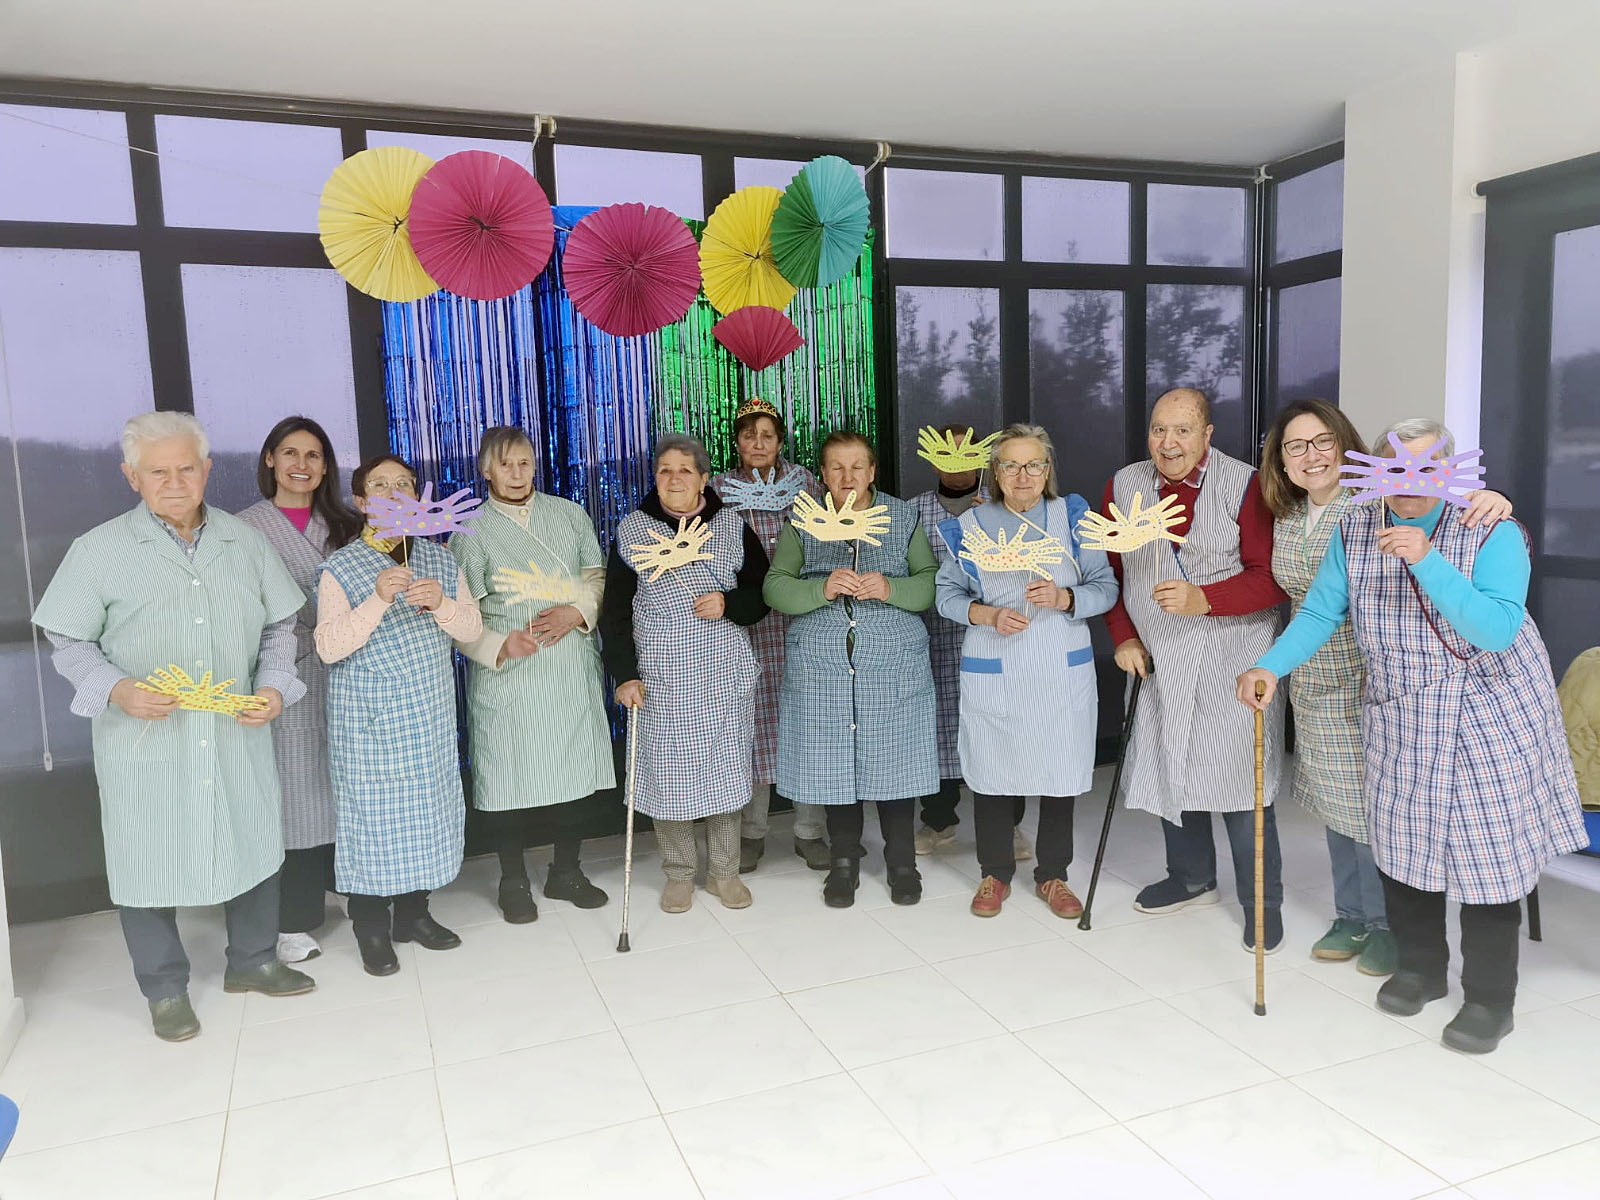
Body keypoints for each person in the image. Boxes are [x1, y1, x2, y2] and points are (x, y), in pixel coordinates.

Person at [1240, 417, 1586, 1054]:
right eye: (1395, 468)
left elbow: (1495, 630)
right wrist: (1271, 665)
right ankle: (1422, 970)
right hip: (1401, 711)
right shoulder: (1355, 528)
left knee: (1489, 863)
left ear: (1452, 473)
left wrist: (1426, 560)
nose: (1409, 482)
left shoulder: (1492, 529)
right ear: (1374, 473)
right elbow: (1320, 611)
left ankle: (1490, 999)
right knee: (1402, 852)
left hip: (1490, 714)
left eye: (1427, 468)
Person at [33, 412, 316, 1041]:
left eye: (186, 468)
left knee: (252, 837)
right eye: (157, 471)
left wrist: (274, 686)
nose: (174, 482)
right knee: (145, 856)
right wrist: (118, 689)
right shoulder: (99, 550)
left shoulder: (245, 542)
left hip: (235, 730)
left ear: (207, 470)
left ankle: (254, 960)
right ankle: (164, 990)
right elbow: (68, 640)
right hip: (144, 738)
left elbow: (280, 627)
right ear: (131, 476)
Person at [1257, 399, 1512, 977]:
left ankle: (1387, 924)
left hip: (1375, 675)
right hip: (1313, 675)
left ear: (1347, 448)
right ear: (1282, 460)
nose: (1311, 455)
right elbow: (1316, 608)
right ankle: (1352, 915)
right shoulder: (1292, 516)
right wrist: (1271, 666)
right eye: (1295, 446)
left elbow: (1454, 505)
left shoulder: (1380, 501)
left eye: (1322, 441)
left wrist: (1492, 498)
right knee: (1335, 803)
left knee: (1377, 812)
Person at [1104, 387, 1288, 951]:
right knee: (1172, 769)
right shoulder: (1125, 485)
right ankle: (1190, 878)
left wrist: (1206, 598)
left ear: (1207, 435)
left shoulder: (1246, 485)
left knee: (1240, 784)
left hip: (1233, 657)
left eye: (1183, 430)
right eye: (1159, 429)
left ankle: (1262, 904)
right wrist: (1124, 635)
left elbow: (1272, 578)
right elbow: (1109, 573)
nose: (1169, 443)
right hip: (1160, 658)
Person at [935, 424, 1119, 918]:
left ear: (1047, 469)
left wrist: (1065, 598)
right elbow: (946, 595)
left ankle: (1053, 875)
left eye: (1033, 465)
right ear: (995, 472)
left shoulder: (1073, 518)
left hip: (1059, 666)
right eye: (1011, 465)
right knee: (993, 771)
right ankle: (994, 873)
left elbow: (1105, 587)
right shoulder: (972, 525)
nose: (1023, 475)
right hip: (996, 664)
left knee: (1061, 772)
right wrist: (987, 614)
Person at [315, 453, 483, 976]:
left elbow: (472, 630)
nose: (394, 493)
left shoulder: (439, 559)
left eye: (404, 484)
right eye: (380, 485)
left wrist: (443, 606)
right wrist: (376, 601)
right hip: (367, 725)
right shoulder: (341, 568)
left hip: (425, 718)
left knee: (426, 816)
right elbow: (327, 648)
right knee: (372, 823)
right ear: (361, 502)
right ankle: (370, 925)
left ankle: (414, 915)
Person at [764, 430, 938, 908]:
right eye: (837, 468)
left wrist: (891, 588)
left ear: (872, 471)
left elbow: (929, 584)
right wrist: (820, 589)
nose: (847, 477)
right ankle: (844, 862)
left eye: (857, 467)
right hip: (824, 669)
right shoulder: (805, 520)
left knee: (896, 764)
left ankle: (902, 862)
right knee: (836, 765)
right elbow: (775, 586)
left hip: (892, 666)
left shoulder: (902, 516)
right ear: (822, 474)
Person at [599, 433, 770, 913]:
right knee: (668, 777)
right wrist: (625, 674)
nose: (674, 479)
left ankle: (724, 872)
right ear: (655, 478)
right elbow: (614, 612)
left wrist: (729, 603)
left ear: (703, 478)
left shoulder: (731, 526)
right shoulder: (633, 530)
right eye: (665, 470)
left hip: (721, 670)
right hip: (662, 673)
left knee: (724, 772)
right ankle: (678, 873)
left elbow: (762, 593)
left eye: (685, 470)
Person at [450, 427, 612, 923]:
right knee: (507, 778)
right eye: (505, 465)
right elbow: (459, 617)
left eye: (524, 462)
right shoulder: (469, 530)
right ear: (486, 471)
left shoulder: (569, 514)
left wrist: (577, 612)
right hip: (509, 673)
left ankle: (567, 871)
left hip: (567, 665)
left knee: (572, 770)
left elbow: (596, 578)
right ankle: (513, 878)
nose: (517, 474)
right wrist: (498, 646)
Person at [237, 416, 363, 964]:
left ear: (326, 467)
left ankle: (358, 884)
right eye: (289, 453)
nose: (301, 465)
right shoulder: (242, 529)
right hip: (284, 671)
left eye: (313, 456)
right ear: (270, 459)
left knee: (351, 780)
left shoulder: (349, 524)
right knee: (298, 790)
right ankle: (294, 917)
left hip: (353, 669)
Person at [710, 397, 830, 873]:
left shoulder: (806, 483)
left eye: (767, 435)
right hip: (747, 622)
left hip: (802, 617)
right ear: (737, 442)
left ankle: (810, 829)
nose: (758, 444)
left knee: (806, 719)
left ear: (780, 441)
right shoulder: (718, 489)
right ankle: (752, 831)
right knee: (751, 721)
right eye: (748, 435)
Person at [911, 423, 1030, 860]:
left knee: (999, 732)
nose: (957, 464)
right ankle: (938, 820)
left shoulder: (1004, 506)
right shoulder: (913, 511)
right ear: (932, 459)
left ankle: (1009, 826)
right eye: (947, 453)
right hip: (935, 639)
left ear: (984, 458)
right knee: (937, 731)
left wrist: (1000, 521)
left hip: (995, 637)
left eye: (967, 453)